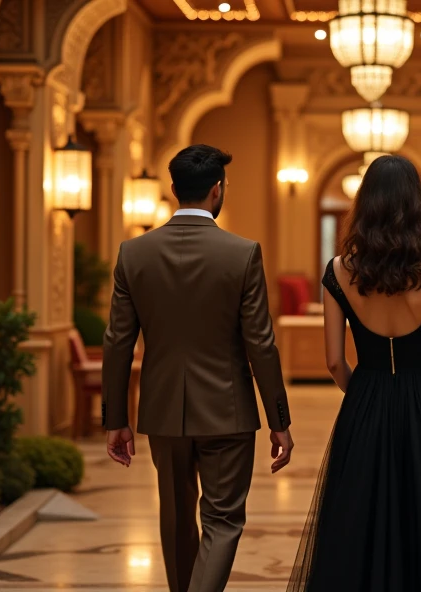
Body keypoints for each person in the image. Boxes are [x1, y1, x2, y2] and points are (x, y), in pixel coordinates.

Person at [101, 144, 294, 592]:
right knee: (223, 520)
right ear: (217, 190)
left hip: (164, 410)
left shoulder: (134, 253)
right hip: (228, 412)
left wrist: (116, 420)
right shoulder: (242, 253)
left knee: (175, 518)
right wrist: (279, 421)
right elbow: (260, 343)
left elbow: (117, 342)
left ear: (173, 190)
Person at [287, 154, 421, 592]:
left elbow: (334, 359)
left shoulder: (338, 271)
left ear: (365, 205)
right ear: (417, 205)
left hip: (364, 401)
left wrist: (363, 394)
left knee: (359, 522)